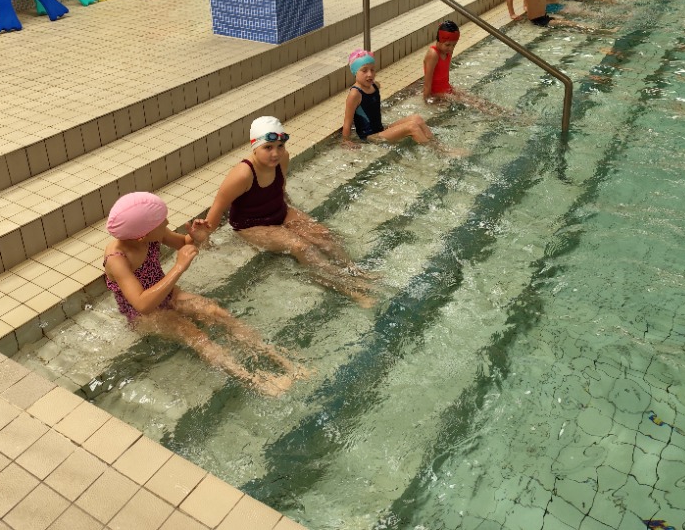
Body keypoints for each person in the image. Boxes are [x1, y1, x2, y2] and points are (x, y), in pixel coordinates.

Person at [102, 192, 298, 396]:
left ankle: (282, 361)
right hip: (144, 315)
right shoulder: (117, 258)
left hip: (169, 293)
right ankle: (256, 382)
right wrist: (178, 267)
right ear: (142, 236)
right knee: (196, 335)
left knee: (216, 312)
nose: (167, 222)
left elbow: (183, 243)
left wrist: (196, 238)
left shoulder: (150, 232)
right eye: (162, 222)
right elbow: (142, 304)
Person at [194, 116, 375, 307]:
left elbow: (280, 189)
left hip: (280, 211)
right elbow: (216, 211)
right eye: (268, 147)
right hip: (251, 225)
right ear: (254, 147)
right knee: (301, 247)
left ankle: (356, 271)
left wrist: (294, 219)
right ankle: (350, 289)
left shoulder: (282, 159)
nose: (275, 153)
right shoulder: (242, 175)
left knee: (324, 235)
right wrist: (204, 240)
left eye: (280, 146)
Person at [341, 49, 438, 149]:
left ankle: (437, 145)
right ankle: (435, 151)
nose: (369, 74)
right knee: (412, 127)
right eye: (364, 70)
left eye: (372, 70)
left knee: (417, 119)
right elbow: (347, 122)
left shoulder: (374, 85)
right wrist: (346, 141)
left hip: (381, 129)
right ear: (355, 72)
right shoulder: (355, 94)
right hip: (370, 137)